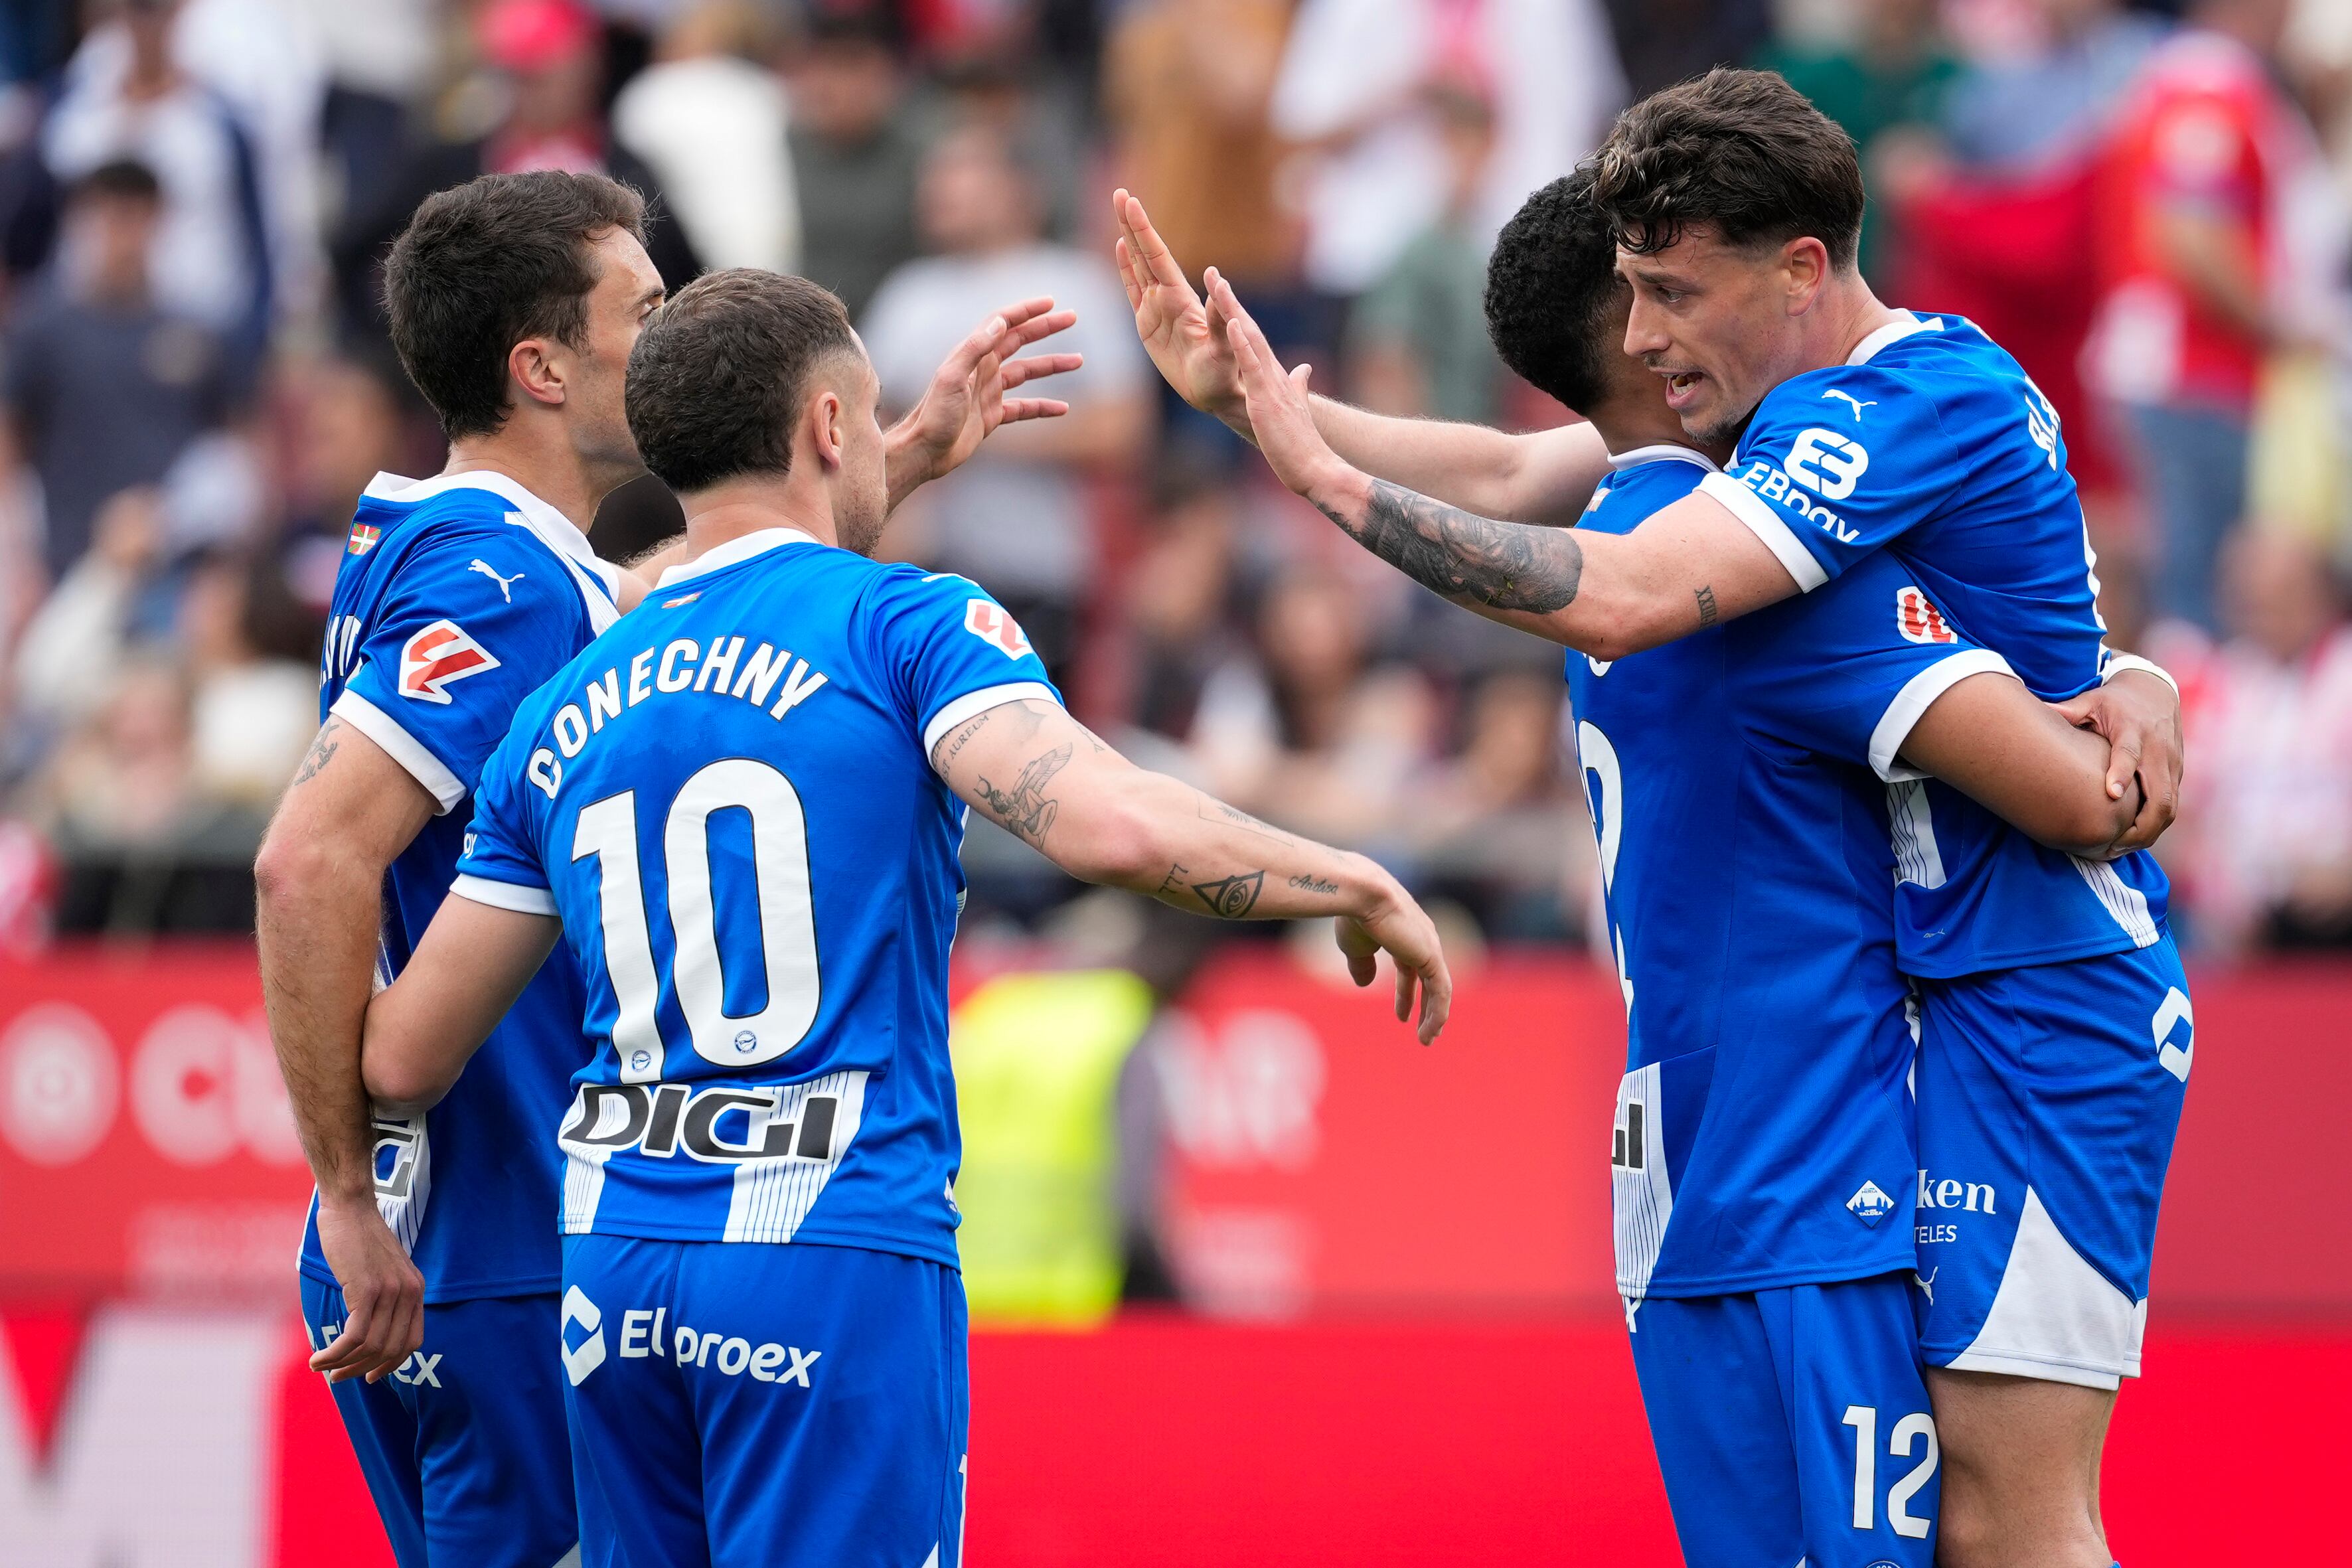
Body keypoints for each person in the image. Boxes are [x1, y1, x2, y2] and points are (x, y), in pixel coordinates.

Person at [1141, 69, 2191, 1567]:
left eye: (1672, 290)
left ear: (1800, 269)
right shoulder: (1773, 434)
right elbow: (1526, 468)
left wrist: (1315, 475)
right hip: (1948, 988)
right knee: (1964, 1513)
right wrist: (1264, 409)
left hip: (2047, 980)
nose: (1643, 332)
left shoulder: (1885, 408)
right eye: (1627, 293)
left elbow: (1627, 588)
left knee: (2011, 1509)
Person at [350, 268, 1450, 1567]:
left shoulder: (562, 704)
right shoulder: (908, 625)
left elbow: (403, 1053)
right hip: (829, 1243)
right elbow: (1112, 825)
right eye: (869, 416)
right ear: (828, 427)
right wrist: (1350, 875)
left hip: (619, 1263)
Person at [253, 169, 1081, 1567]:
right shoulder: (498, 578)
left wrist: (885, 456)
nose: (673, 329)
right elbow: (305, 857)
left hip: (470, 1243)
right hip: (490, 1241)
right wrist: (349, 1181)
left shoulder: (483, 554)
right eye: (643, 309)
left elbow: (695, 602)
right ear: (541, 364)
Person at [862, 122, 1151, 684]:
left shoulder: (1073, 283)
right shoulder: (909, 293)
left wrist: (981, 431)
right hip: (919, 566)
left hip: (1039, 566)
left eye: (963, 172)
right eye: (936, 176)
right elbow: (864, 425)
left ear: (1023, 190)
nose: (942, 189)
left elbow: (1124, 428)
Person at [1, 159, 238, 581]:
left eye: (138, 216)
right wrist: (18, 558)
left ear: (159, 221)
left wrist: (179, 518)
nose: (125, 235)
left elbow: (230, 449)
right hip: (68, 565)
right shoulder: (44, 330)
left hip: (172, 566)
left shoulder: (194, 333)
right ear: (84, 221)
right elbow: (10, 442)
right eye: (111, 215)